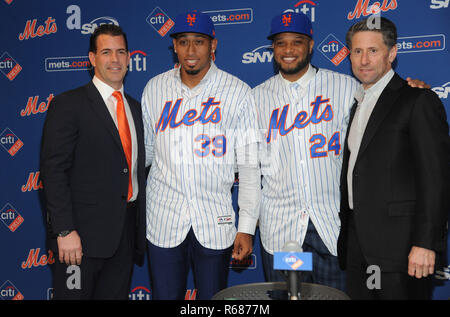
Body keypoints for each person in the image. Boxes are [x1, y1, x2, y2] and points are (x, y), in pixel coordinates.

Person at [254, 12, 430, 295]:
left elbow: (388, 102)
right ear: (272, 49)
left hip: (332, 226)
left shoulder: (347, 87)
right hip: (281, 227)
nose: (288, 50)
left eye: (297, 42)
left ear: (311, 45)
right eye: (281, 43)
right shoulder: (255, 98)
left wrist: (413, 91)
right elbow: (251, 170)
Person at [141, 11, 261, 300]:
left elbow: (248, 167)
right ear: (175, 46)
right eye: (183, 42)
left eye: (199, 42)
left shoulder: (238, 92)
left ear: (213, 46)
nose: (191, 51)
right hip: (164, 220)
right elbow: (143, 155)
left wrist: (246, 227)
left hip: (214, 220)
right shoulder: (155, 89)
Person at [337, 17, 449, 300]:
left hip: (402, 253)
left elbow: (435, 179)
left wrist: (425, 244)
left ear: (392, 53)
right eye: (357, 51)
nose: (363, 60)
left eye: (373, 51)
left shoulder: (417, 100)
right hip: (358, 249)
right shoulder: (358, 103)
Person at [40, 24, 147, 300]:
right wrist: (64, 230)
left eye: (121, 52)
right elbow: (53, 171)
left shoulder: (136, 108)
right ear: (92, 58)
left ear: (129, 57)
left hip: (124, 236)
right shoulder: (69, 104)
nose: (115, 59)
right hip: (79, 241)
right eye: (106, 52)